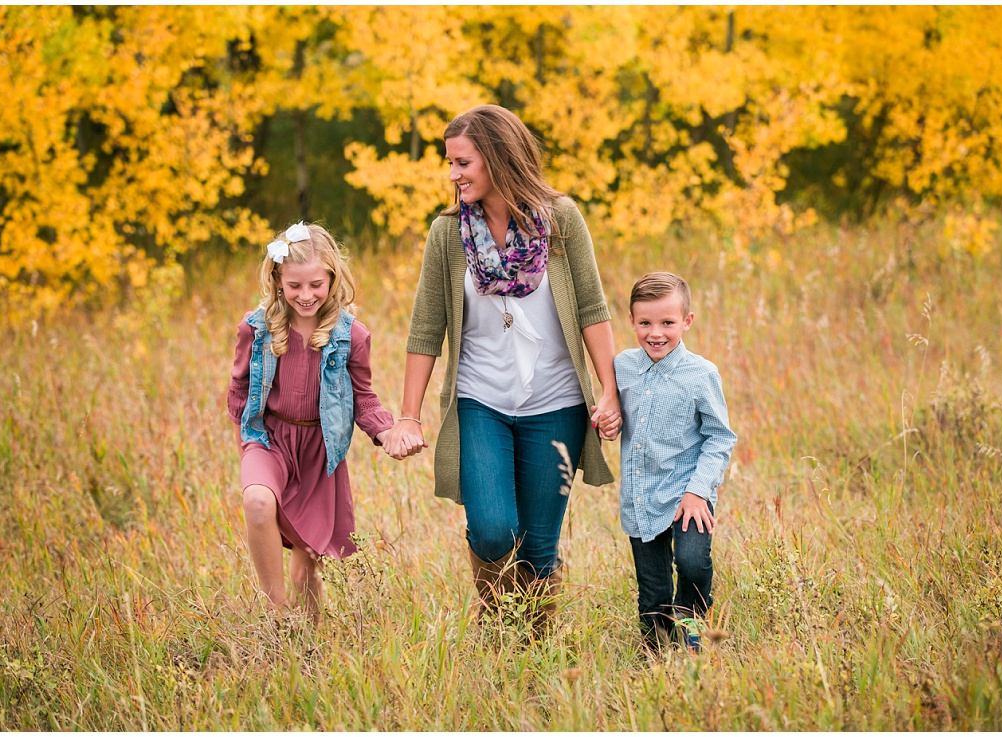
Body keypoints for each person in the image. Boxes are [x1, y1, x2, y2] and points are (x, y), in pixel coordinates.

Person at [383, 104, 622, 628]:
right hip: (481, 401)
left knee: (539, 546)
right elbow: (426, 329)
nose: (453, 175)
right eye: (450, 163)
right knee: (493, 531)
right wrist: (407, 415)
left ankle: (528, 653)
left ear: (496, 157)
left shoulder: (561, 220)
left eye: (462, 162)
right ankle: (498, 631)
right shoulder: (448, 234)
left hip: (556, 403)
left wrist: (608, 391)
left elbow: (591, 308)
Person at [227, 222, 397, 621]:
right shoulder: (256, 329)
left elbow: (364, 397)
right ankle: (278, 615)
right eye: (295, 286)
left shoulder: (351, 336)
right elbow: (238, 391)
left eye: (316, 285)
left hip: (320, 450)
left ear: (333, 279)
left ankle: (310, 643)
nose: (306, 296)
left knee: (307, 555)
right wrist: (246, 448)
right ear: (277, 280)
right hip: (267, 439)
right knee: (256, 500)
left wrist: (386, 431)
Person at [614, 272, 737, 652]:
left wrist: (699, 492)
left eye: (667, 323)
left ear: (687, 321)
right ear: (631, 321)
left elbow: (720, 437)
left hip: (688, 495)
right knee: (652, 592)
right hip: (641, 496)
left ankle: (694, 629)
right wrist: (606, 420)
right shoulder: (622, 367)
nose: (656, 333)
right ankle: (654, 656)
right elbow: (611, 411)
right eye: (645, 323)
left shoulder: (701, 375)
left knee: (692, 562)